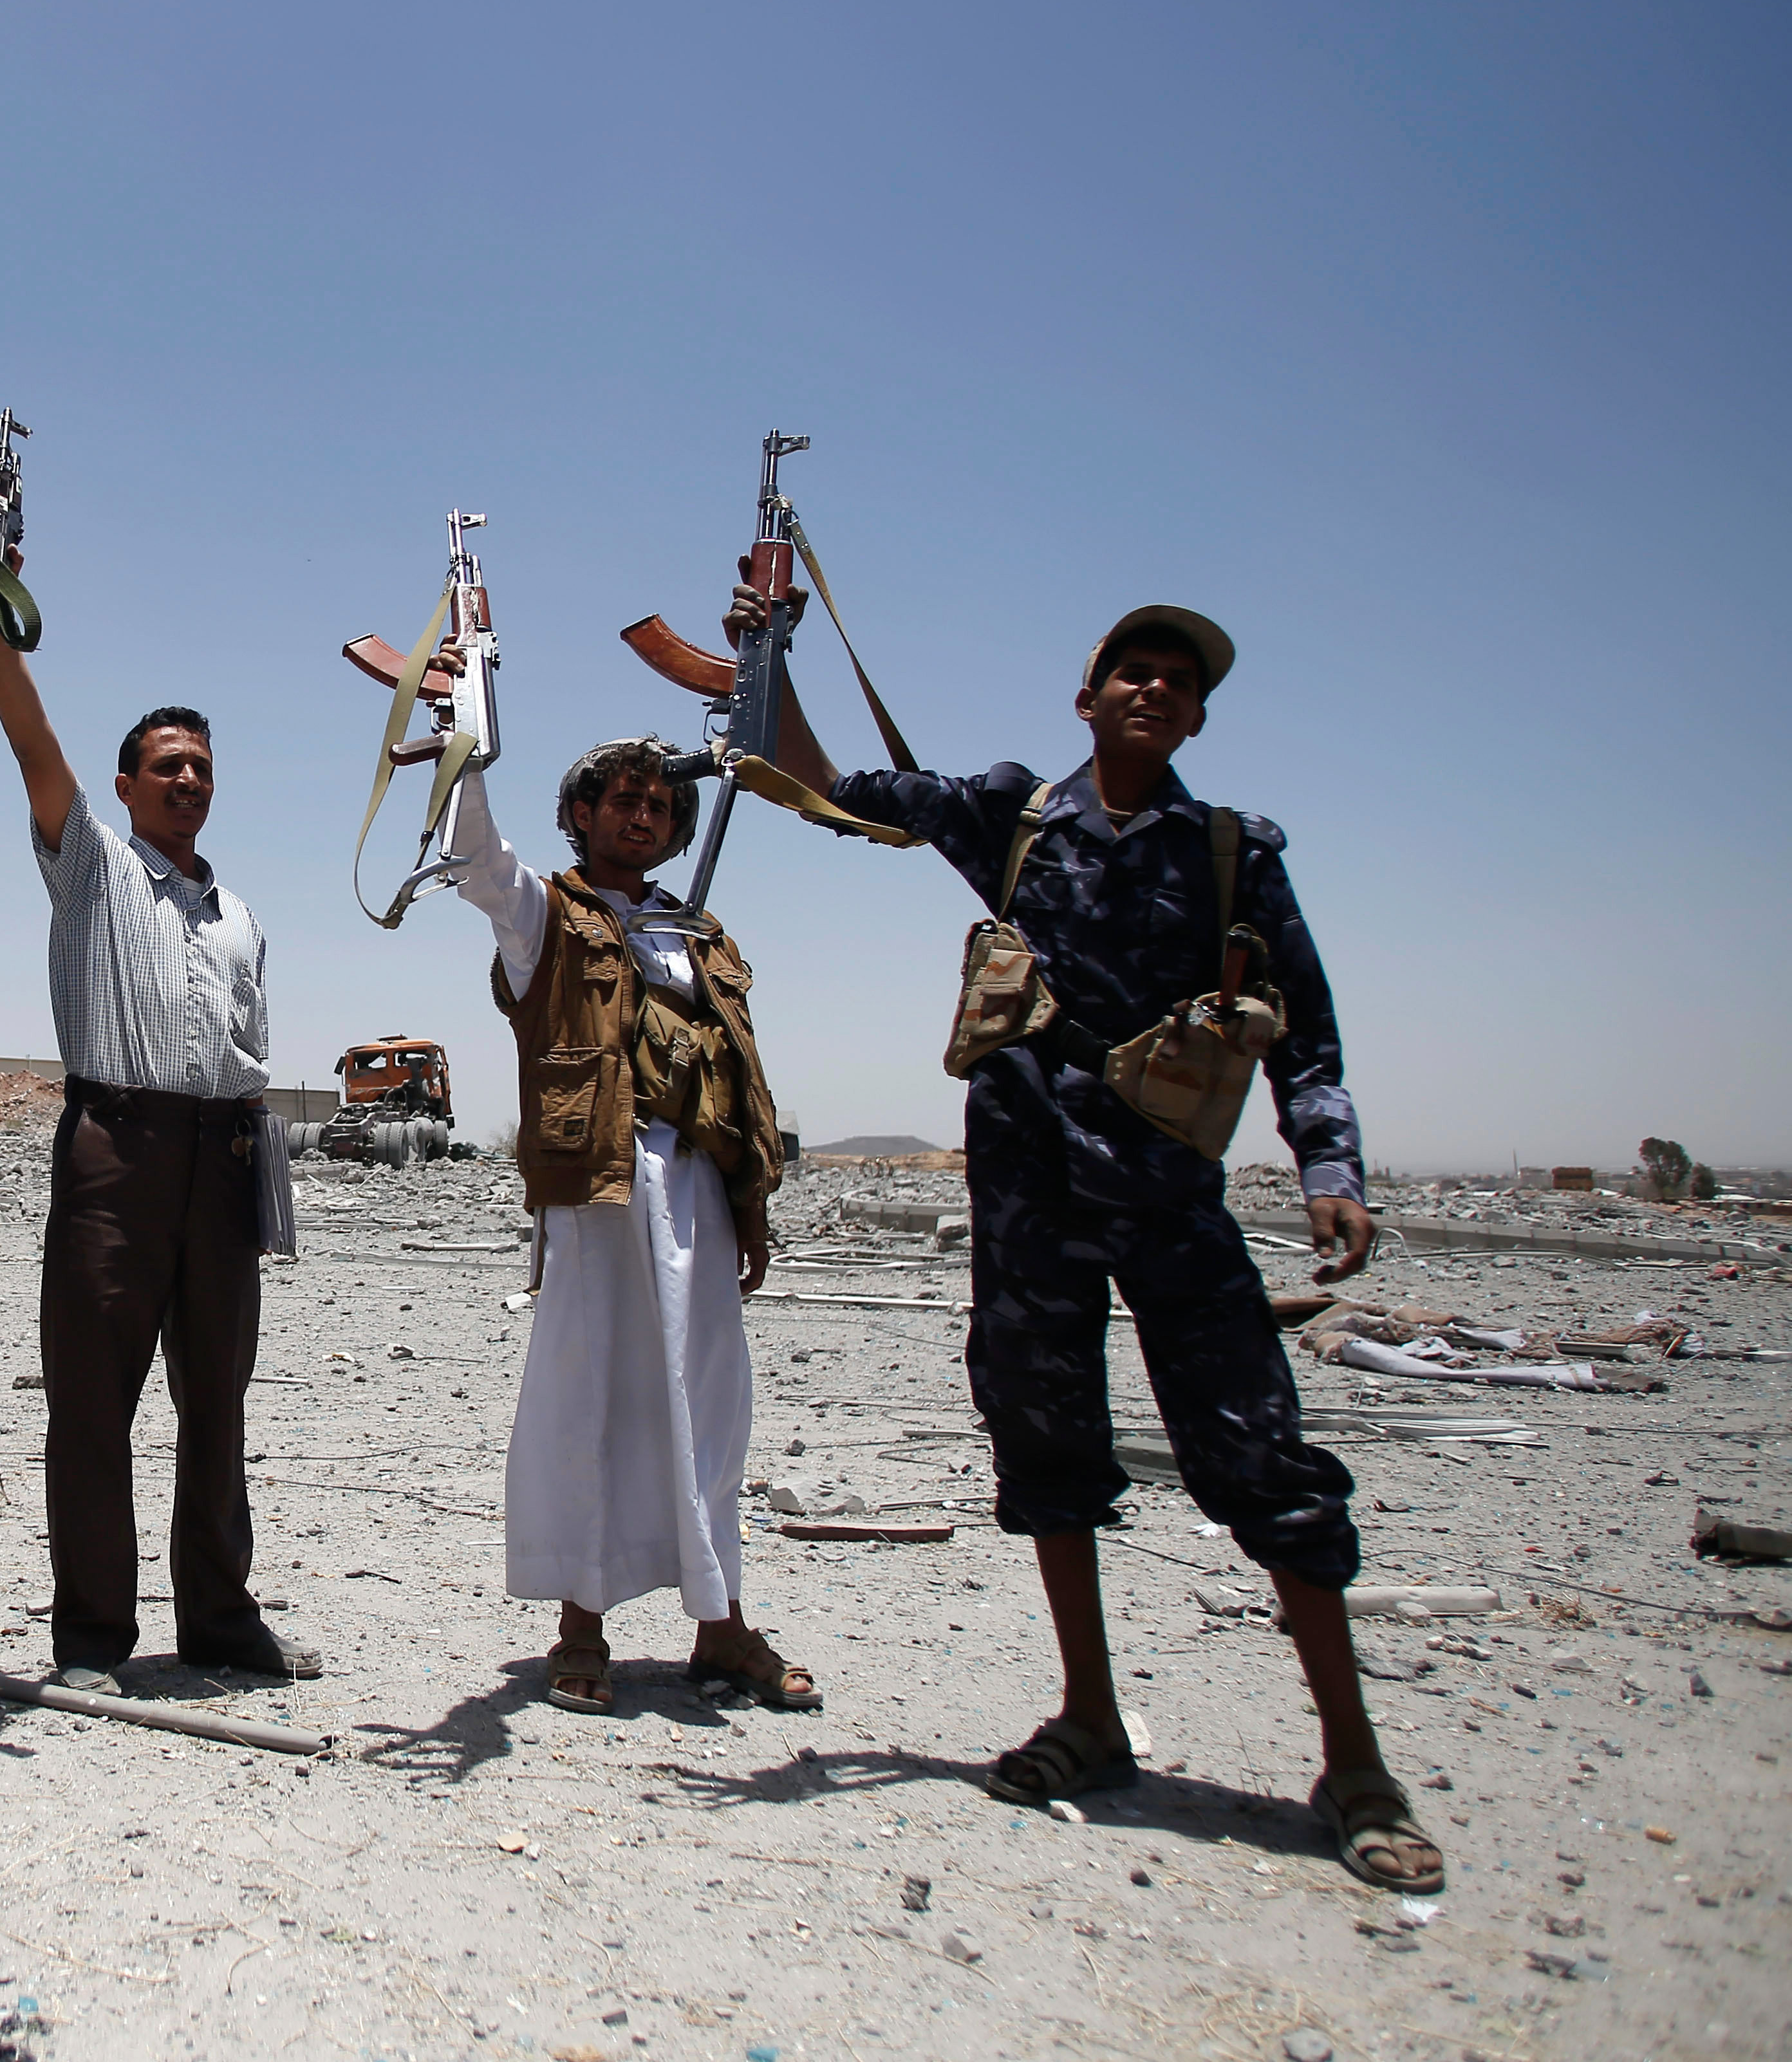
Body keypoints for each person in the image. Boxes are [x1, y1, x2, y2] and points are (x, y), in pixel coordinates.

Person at [781, 587, 1441, 1892]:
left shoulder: (1233, 855)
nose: (1154, 691)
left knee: (1264, 1458)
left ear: (1196, 714)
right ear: (1089, 698)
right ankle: (1089, 1716)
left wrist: (1331, 1166)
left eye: (1178, 682)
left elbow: (1305, 1030)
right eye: (1132, 672)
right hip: (1029, 1196)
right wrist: (768, 647)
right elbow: (814, 787)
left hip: (1169, 1196)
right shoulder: (1016, 818)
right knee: (1047, 1448)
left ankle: (1354, 1764)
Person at [0, 535, 315, 1695]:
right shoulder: (93, 867)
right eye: (166, 765)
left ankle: (220, 1620)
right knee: (93, 1404)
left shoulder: (240, 913)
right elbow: (27, 739)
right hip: (116, 1154)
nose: (187, 780)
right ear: (125, 785)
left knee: (219, 1405)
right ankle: (93, 1639)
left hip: (224, 1155)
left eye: (200, 766)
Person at [424, 659, 819, 1714]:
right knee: (588, 1395)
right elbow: (476, 856)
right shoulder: (542, 919)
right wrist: (462, 733)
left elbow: (736, 1076)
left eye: (660, 802)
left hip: (696, 1189)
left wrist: (750, 1203)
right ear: (581, 815)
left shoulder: (701, 938)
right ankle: (581, 1624)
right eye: (623, 798)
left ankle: (721, 1627)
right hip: (599, 1187)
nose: (642, 813)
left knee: (708, 1405)